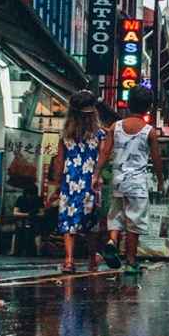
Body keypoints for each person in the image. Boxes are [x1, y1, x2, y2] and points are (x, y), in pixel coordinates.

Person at [94, 85, 164, 274]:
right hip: (137, 183)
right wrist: (160, 179)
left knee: (116, 215)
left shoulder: (115, 127)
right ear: (148, 107)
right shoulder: (149, 131)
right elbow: (157, 159)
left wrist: (97, 174)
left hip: (118, 179)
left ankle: (112, 241)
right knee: (134, 222)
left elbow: (105, 152)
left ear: (128, 104)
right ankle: (131, 262)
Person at [52, 89, 103, 274]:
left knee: (69, 220)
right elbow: (103, 158)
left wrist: (57, 185)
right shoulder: (99, 135)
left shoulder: (65, 135)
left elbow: (59, 160)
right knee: (90, 222)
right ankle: (92, 258)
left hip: (70, 180)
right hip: (91, 180)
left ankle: (69, 260)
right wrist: (98, 175)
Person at [13, 183, 43, 257]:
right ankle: (38, 252)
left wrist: (25, 215)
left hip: (21, 220)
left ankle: (13, 250)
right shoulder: (38, 199)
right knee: (37, 234)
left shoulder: (20, 198)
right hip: (34, 221)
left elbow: (15, 213)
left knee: (16, 232)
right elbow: (42, 213)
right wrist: (31, 215)